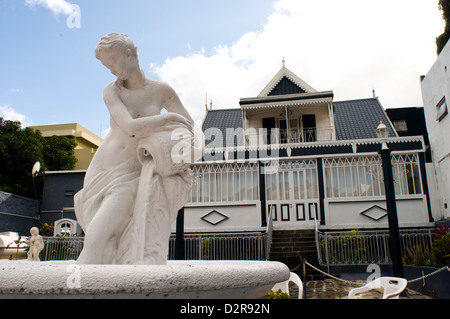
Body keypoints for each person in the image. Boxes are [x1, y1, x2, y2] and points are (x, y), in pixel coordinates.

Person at [75, 33, 203, 264]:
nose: (112, 70)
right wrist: (167, 119)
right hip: (104, 169)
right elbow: (130, 127)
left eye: (113, 62)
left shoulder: (162, 90)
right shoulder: (112, 91)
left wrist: (179, 151)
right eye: (107, 66)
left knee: (100, 238)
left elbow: (191, 128)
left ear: (129, 53)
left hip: (133, 173)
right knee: (99, 239)